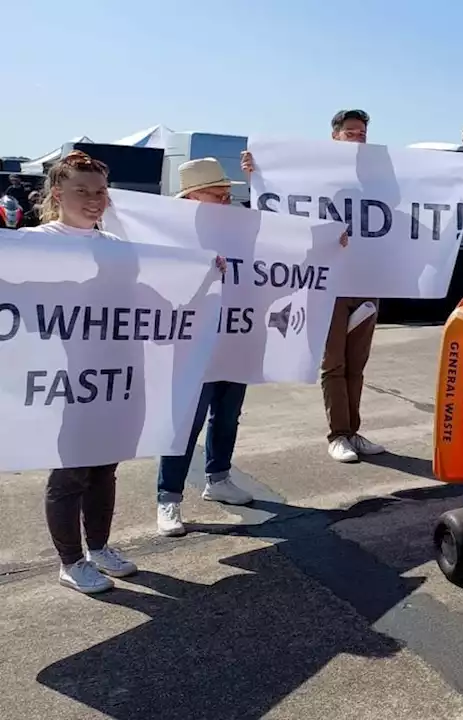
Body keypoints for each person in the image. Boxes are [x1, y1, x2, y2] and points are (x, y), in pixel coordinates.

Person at [19, 151, 137, 593]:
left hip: (110, 374)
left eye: (100, 191)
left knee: (104, 464)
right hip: (60, 376)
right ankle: (70, 561)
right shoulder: (34, 242)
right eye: (81, 191)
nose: (93, 200)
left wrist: (207, 272)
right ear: (57, 194)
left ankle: (99, 548)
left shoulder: (117, 249)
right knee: (70, 470)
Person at [240, 109, 385, 463]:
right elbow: (280, 198)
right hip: (327, 283)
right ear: (335, 135)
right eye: (351, 132)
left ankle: (352, 430)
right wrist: (256, 173)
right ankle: (338, 434)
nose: (358, 137)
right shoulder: (314, 172)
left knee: (356, 363)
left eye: (362, 132)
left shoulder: (379, 172)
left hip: (366, 281)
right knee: (333, 361)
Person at [155, 158, 256, 536]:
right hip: (192, 343)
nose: (227, 199)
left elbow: (286, 242)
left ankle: (219, 478)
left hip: (235, 337)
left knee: (228, 414)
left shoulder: (238, 226)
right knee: (185, 422)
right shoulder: (170, 231)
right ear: (193, 196)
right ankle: (169, 497)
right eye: (219, 194)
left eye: (229, 192)